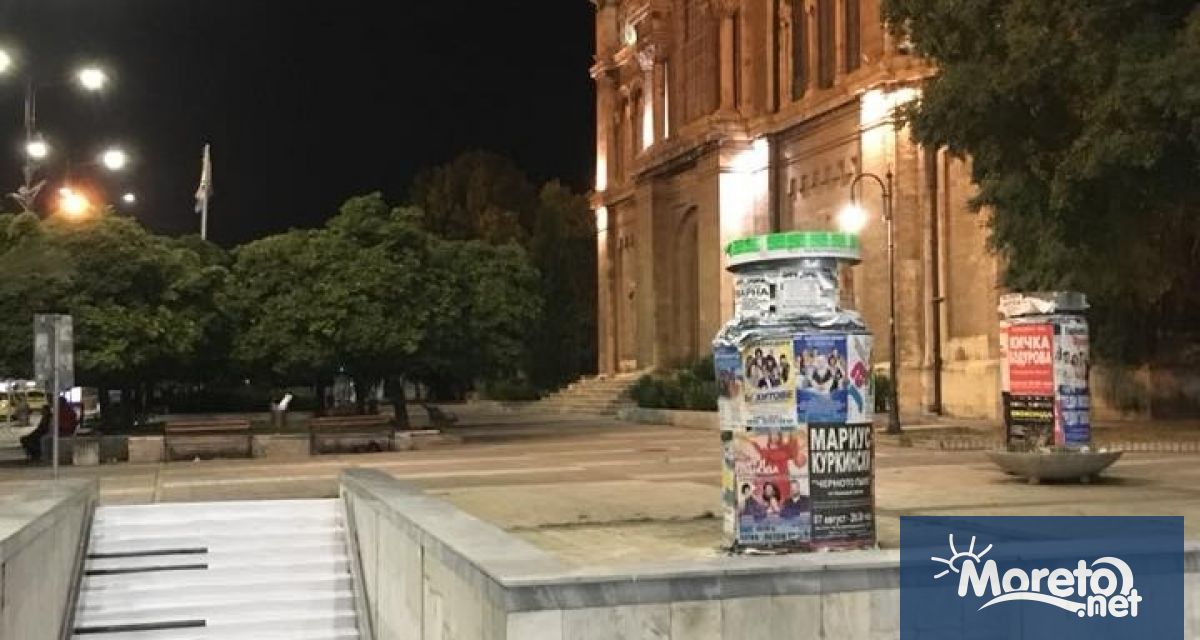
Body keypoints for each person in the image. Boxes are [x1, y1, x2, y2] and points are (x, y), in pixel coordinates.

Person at [20, 398, 76, 463]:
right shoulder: (60, 412)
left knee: (43, 439)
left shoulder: (65, 412)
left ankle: (44, 457)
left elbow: (65, 425)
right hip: (57, 431)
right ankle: (38, 455)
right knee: (39, 439)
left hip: (62, 432)